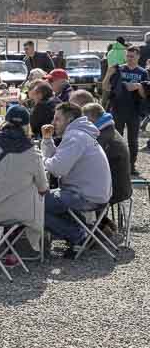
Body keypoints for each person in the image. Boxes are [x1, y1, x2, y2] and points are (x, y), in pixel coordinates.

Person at [0, 105, 48, 253]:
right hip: (19, 215)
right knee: (34, 193)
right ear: (27, 125)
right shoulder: (33, 152)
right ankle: (16, 247)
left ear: (5, 122)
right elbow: (43, 188)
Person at [41, 102, 112, 255]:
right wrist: (47, 141)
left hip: (86, 196)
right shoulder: (78, 133)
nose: (53, 123)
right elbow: (57, 159)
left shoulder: (75, 136)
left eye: (57, 119)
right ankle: (78, 233)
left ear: (69, 119)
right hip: (91, 193)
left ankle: (78, 235)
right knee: (40, 202)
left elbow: (57, 168)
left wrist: (40, 160)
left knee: (34, 205)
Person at [102, 46, 148, 175]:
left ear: (138, 56)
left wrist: (138, 87)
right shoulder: (119, 69)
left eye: (132, 56)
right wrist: (109, 73)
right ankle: (116, 165)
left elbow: (146, 95)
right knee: (117, 139)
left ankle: (131, 166)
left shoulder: (143, 72)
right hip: (118, 109)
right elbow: (106, 87)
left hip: (134, 111)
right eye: (127, 56)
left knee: (133, 141)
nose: (129, 59)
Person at [82, 103, 132, 218]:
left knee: (70, 194)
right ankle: (98, 226)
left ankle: (88, 229)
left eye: (84, 120)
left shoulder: (102, 138)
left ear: (91, 119)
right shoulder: (108, 130)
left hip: (114, 190)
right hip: (119, 187)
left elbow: (90, 166)